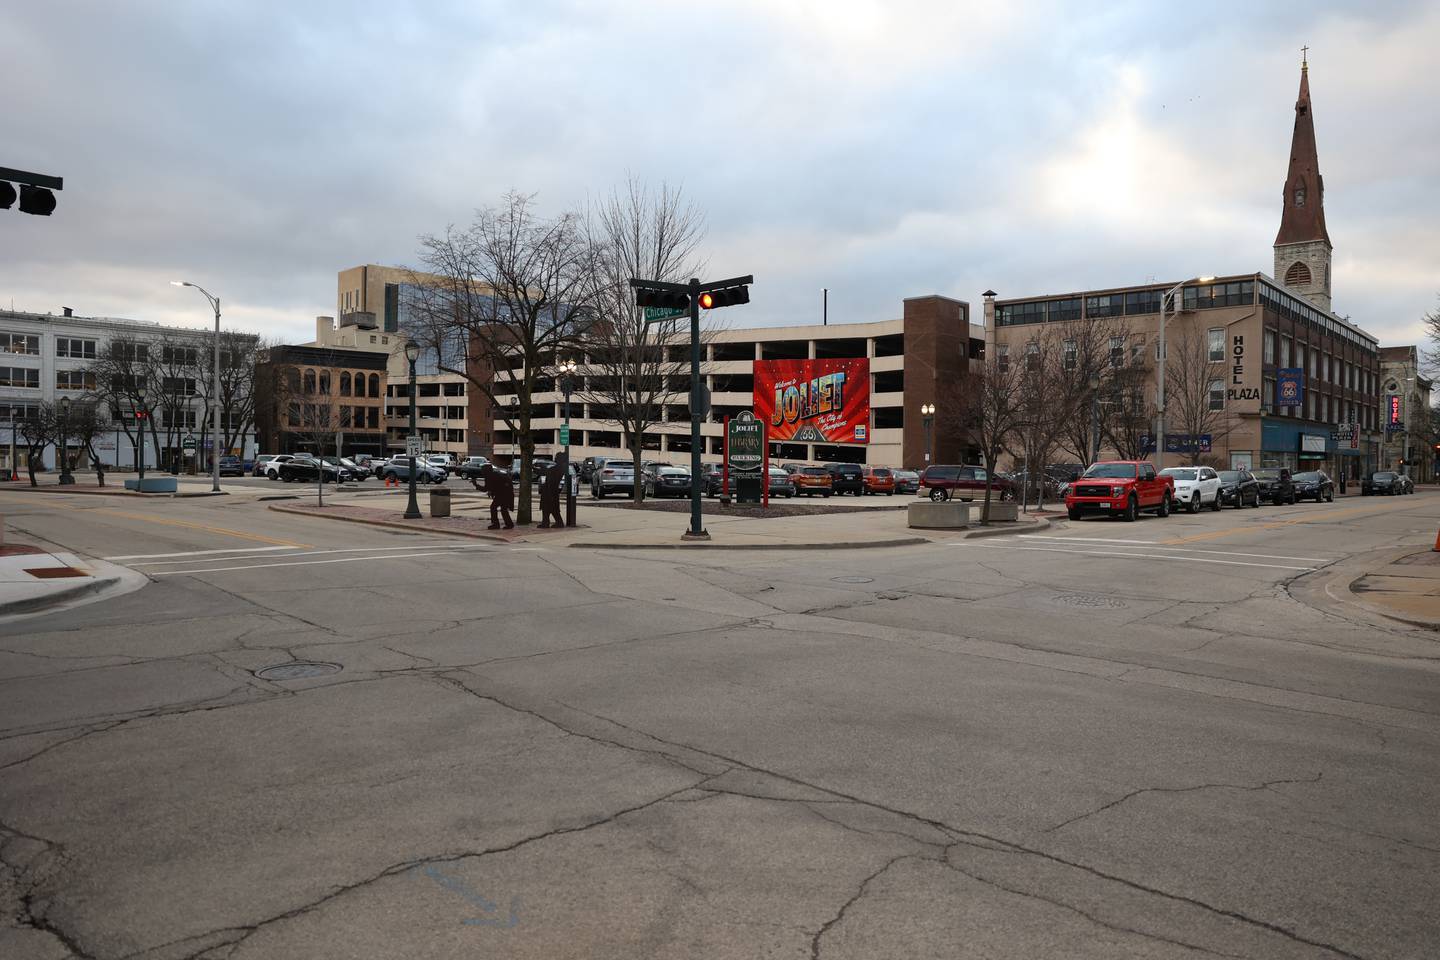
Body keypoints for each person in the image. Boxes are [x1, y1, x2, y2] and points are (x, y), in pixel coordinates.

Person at [483, 464, 514, 530]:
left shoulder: (489, 476)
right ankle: (509, 524)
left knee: (493, 507)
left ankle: (496, 524)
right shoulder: (494, 474)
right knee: (503, 509)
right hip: (505, 493)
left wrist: (475, 484)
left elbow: (485, 489)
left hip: (502, 494)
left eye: (483, 470)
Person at [538, 462, 563, 528]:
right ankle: (545, 522)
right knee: (547, 509)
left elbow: (551, 482)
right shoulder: (556, 469)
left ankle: (558, 522)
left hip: (550, 493)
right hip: (549, 492)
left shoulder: (556, 469)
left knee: (553, 509)